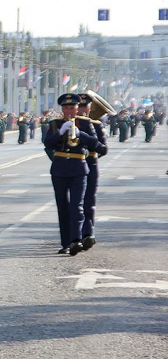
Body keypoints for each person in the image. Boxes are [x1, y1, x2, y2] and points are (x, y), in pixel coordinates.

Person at [44, 93, 105, 256]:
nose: (69, 111)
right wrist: (60, 132)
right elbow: (47, 143)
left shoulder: (85, 123)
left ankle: (76, 240)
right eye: (66, 108)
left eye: (73, 108)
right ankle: (65, 243)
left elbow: (97, 145)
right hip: (59, 169)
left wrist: (81, 134)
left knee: (77, 206)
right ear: (62, 109)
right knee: (62, 207)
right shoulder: (55, 124)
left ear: (78, 109)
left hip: (79, 168)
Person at [77, 94, 108, 252]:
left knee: (89, 201)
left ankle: (87, 234)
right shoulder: (67, 124)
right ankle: (74, 235)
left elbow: (103, 149)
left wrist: (90, 152)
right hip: (73, 167)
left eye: (85, 106)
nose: (82, 109)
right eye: (80, 106)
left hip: (90, 165)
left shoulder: (95, 125)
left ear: (90, 108)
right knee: (74, 203)